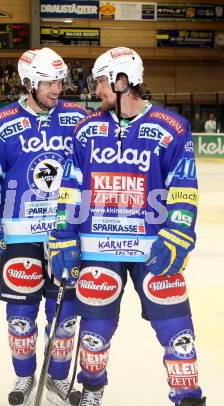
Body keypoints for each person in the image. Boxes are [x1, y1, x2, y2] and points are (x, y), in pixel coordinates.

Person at [49, 47, 206, 406]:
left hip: (153, 245)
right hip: (97, 245)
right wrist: (62, 236)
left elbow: (184, 188)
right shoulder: (85, 131)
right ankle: (92, 388)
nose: (96, 90)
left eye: (101, 82)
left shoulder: (171, 128)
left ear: (122, 81)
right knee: (95, 329)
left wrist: (178, 234)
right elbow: (71, 189)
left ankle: (188, 397)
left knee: (176, 327)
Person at [0, 48, 88, 405]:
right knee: (20, 318)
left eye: (60, 81)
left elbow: (92, 172)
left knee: (65, 316)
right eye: (49, 82)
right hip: (19, 234)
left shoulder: (79, 118)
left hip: (65, 235)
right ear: (28, 83)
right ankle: (24, 376)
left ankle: (56, 380)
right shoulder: (1, 122)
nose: (57, 89)